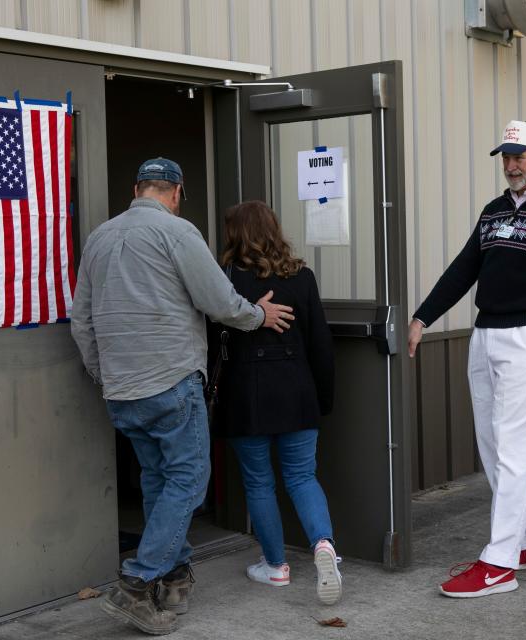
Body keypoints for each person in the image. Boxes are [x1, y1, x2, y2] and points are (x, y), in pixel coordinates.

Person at [71, 159, 295, 635]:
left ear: (136, 189)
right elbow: (217, 300)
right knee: (190, 479)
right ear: (176, 193)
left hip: (121, 387)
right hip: (170, 379)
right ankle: (136, 584)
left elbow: (81, 318)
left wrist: (102, 372)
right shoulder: (178, 233)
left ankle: (173, 580)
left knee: (159, 480)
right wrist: (256, 314)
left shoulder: (99, 238)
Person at [407, 121, 526, 599]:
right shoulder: (495, 211)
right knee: (494, 447)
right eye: (506, 156)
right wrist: (423, 317)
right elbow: (464, 268)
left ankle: (499, 563)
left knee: (515, 450)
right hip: (486, 335)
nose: (512, 164)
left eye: (521, 155)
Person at [210, 200, 341, 605]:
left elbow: (212, 341)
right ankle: (323, 547)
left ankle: (275, 566)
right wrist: (322, 398)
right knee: (303, 476)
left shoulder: (224, 279)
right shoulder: (302, 276)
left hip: (245, 396)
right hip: (296, 391)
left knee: (259, 481)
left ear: (234, 233)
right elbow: (321, 345)